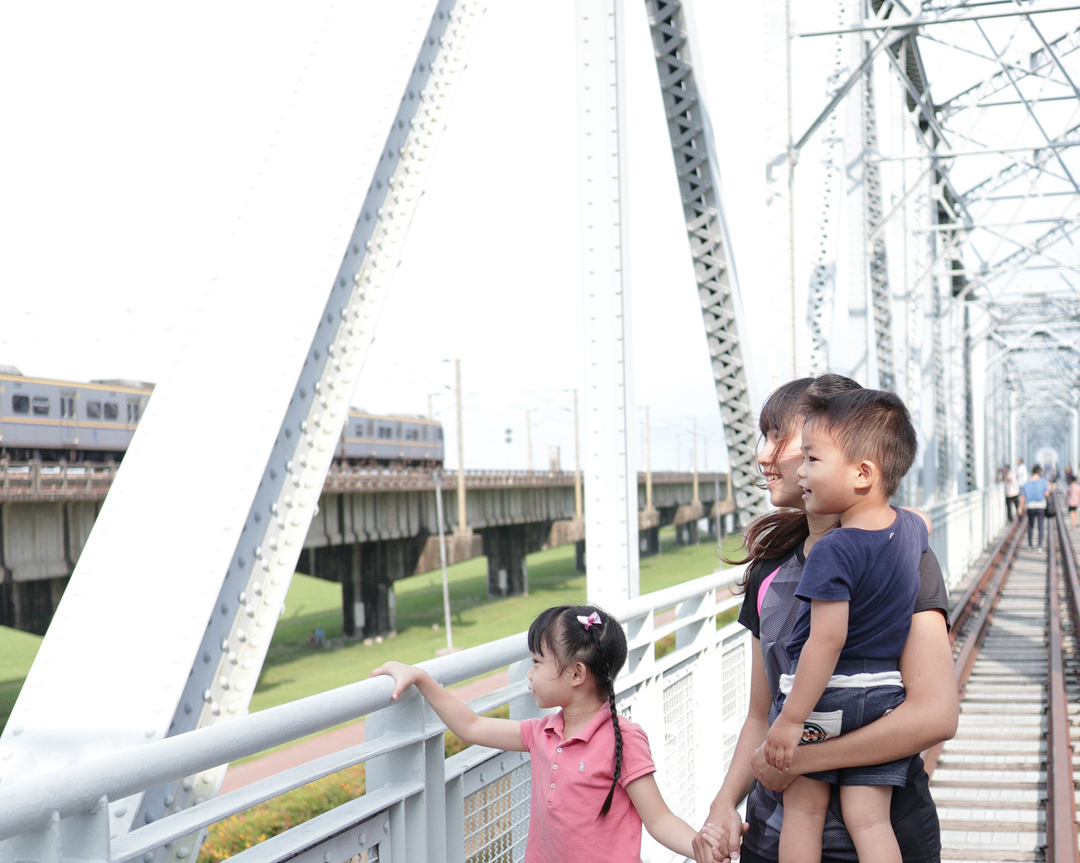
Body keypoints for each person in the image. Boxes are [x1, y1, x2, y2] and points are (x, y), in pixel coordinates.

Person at [692, 375, 958, 863]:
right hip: (772, 837)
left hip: (886, 835)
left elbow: (935, 714)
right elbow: (760, 711)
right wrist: (723, 805)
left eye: (782, 438)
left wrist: (800, 758)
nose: (762, 455)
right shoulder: (769, 571)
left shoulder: (902, 560)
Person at [372, 605, 705, 863]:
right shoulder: (542, 733)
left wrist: (699, 846)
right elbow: (471, 727)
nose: (528, 674)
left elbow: (659, 819)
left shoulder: (624, 739)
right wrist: (421, 678)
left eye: (537, 662)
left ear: (576, 673)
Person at [762, 389, 927, 863]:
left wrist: (791, 720)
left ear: (862, 474)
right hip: (883, 696)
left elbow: (826, 639)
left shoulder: (833, 549)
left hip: (827, 694)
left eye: (812, 460)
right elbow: (922, 523)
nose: (803, 473)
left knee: (804, 813)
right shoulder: (910, 530)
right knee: (870, 819)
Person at [1020, 465, 1050, 550]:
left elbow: (1023, 496)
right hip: (1041, 505)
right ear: (1039, 472)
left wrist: (1020, 507)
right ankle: (1039, 546)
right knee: (1040, 526)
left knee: (1030, 525)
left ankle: (1030, 545)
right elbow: (1047, 494)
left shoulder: (1027, 483)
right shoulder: (1043, 481)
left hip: (1030, 506)